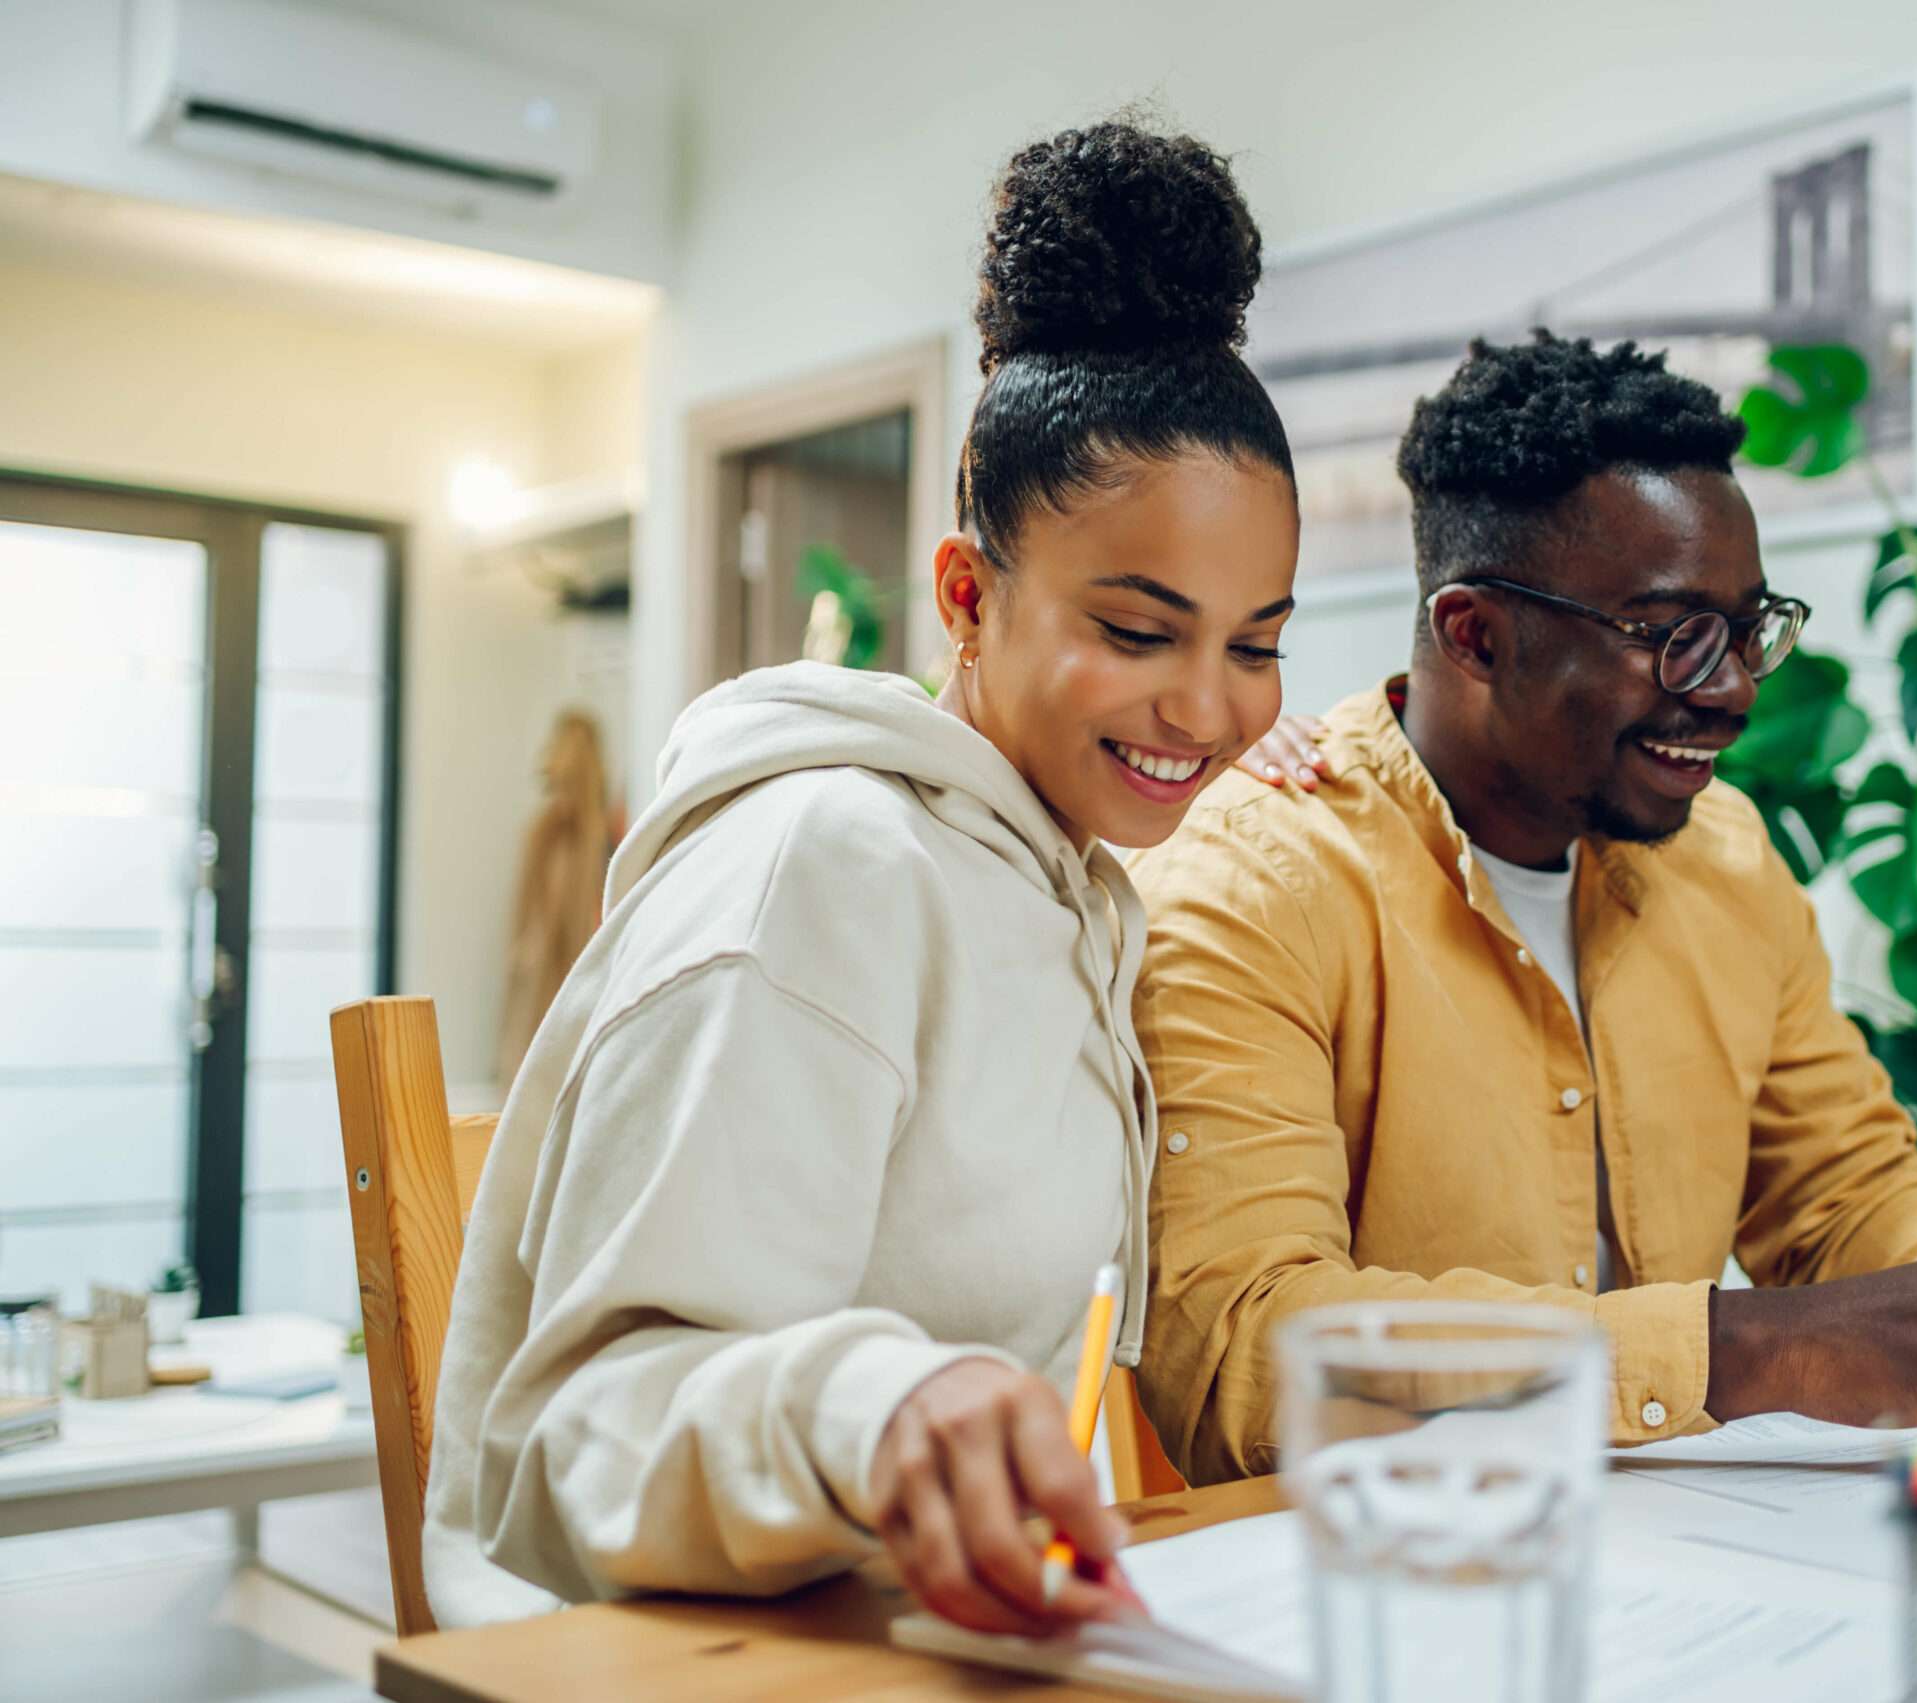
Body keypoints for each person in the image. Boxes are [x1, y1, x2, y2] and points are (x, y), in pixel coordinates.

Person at [1128, 331, 1917, 1486]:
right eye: (1675, 635)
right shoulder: (1254, 883)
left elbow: (1845, 1197)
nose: (1733, 691)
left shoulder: (1723, 857)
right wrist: (1747, 1347)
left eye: (1747, 631)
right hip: (1395, 1591)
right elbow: (1241, 1359)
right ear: (1474, 634)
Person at [423, 122, 1300, 1632]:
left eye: (1258, 643)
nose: (1211, 709)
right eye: (1143, 633)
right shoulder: (818, 868)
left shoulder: (1063, 884)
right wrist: (883, 1406)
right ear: (967, 593)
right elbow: (587, 1427)